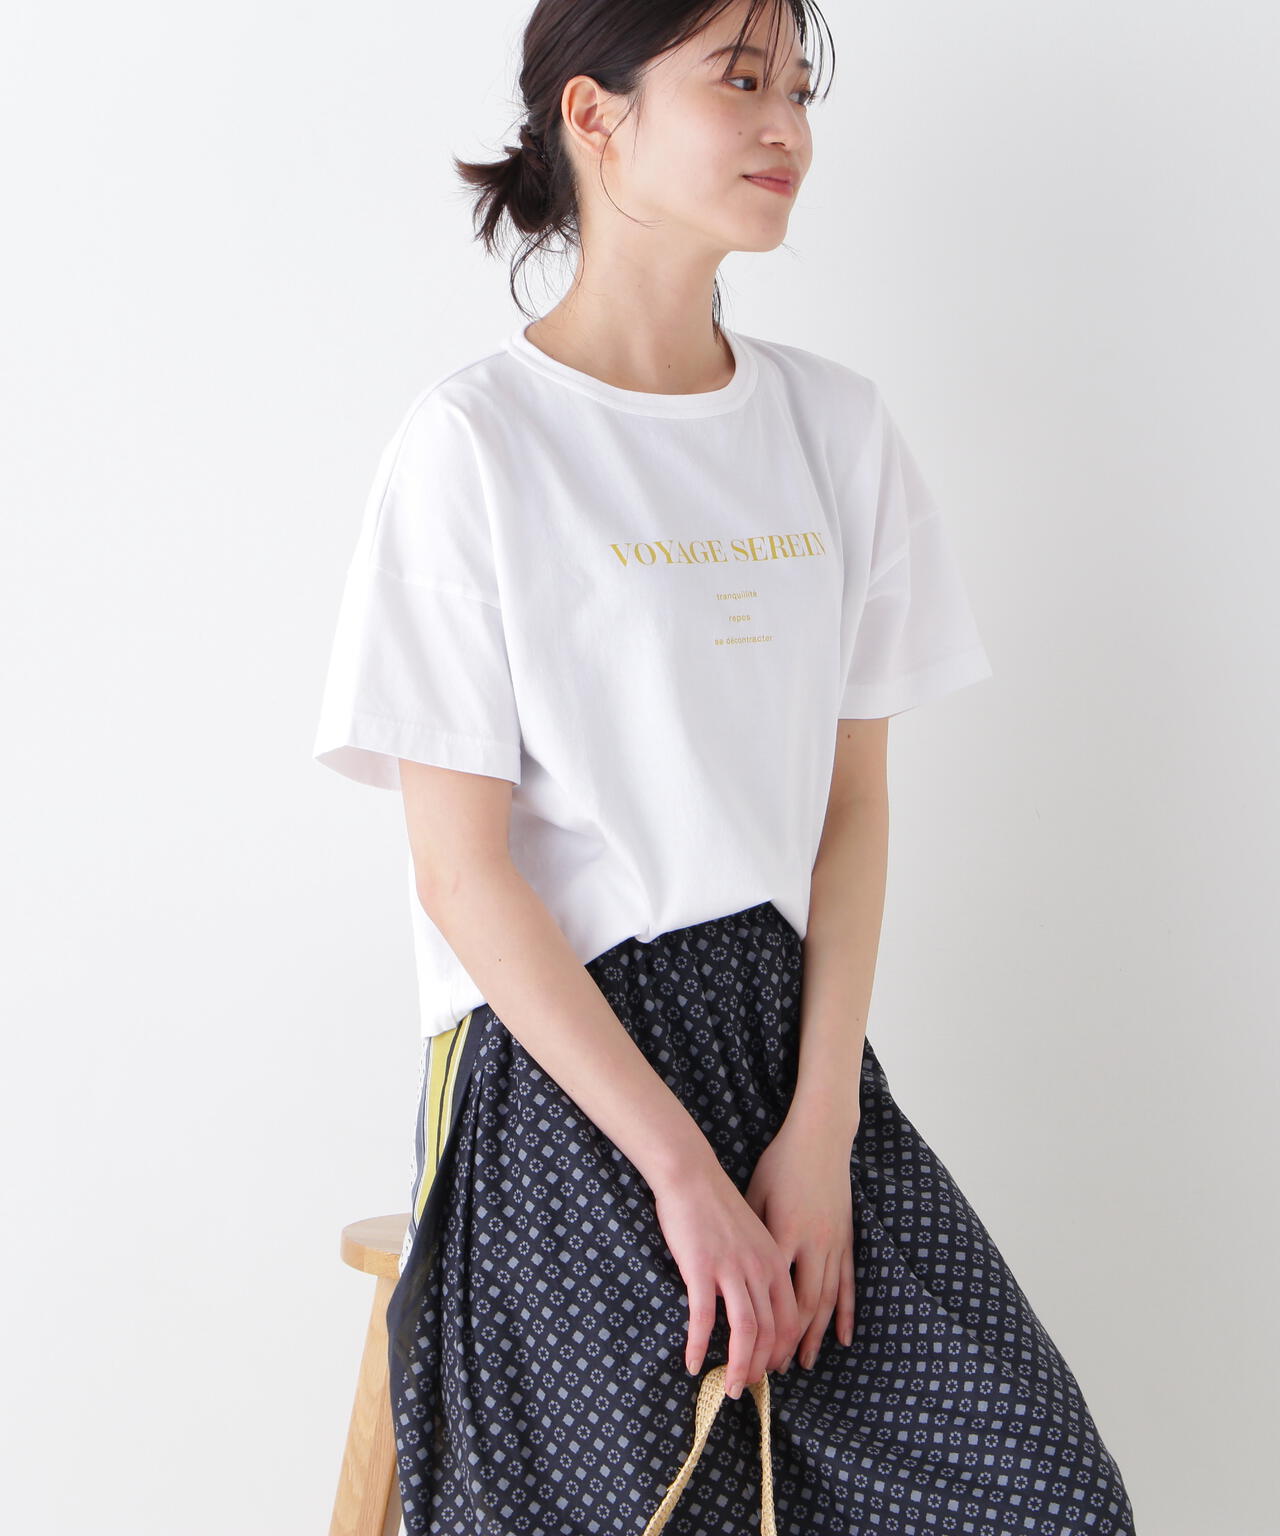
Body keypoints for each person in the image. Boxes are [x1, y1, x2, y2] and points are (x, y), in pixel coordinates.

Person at [312, 1, 1139, 1532]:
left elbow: (852, 809)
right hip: (562, 1074)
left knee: (1049, 1499)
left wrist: (821, 1130)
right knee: (652, 1496)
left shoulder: (836, 429)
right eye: (739, 81)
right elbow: (462, 874)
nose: (786, 128)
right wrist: (683, 1178)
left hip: (792, 1047)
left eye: (799, 91)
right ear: (595, 115)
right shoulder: (475, 446)